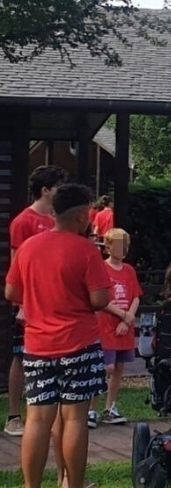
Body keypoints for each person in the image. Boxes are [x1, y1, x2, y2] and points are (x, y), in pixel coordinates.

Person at [5, 183, 110, 488]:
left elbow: (12, 291)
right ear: (81, 217)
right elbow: (99, 300)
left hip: (37, 345)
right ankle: (73, 485)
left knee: (37, 418)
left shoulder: (29, 247)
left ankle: (31, 486)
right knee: (75, 417)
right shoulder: (86, 250)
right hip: (79, 343)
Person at [5, 165, 68, 439]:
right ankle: (14, 415)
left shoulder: (59, 220)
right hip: (30, 301)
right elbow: (17, 265)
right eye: (59, 187)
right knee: (21, 355)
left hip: (56, 301)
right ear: (46, 190)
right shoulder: (23, 222)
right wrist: (22, 304)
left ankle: (52, 413)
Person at [88, 229, 142, 428]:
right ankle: (91, 408)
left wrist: (128, 319)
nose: (123, 249)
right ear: (108, 247)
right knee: (104, 367)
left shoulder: (129, 270)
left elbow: (135, 295)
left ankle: (111, 406)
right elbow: (100, 300)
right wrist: (121, 315)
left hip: (124, 327)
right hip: (106, 325)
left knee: (119, 367)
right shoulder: (101, 269)